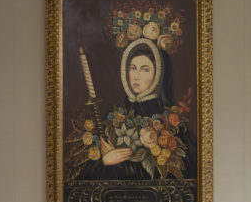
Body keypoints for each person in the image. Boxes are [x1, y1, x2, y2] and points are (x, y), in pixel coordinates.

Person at [67, 32, 196, 182]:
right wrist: (104, 162)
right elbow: (84, 176)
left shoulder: (171, 122)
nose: (136, 76)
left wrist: (120, 163)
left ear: (158, 74)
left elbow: (183, 175)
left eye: (145, 69)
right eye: (133, 68)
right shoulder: (115, 115)